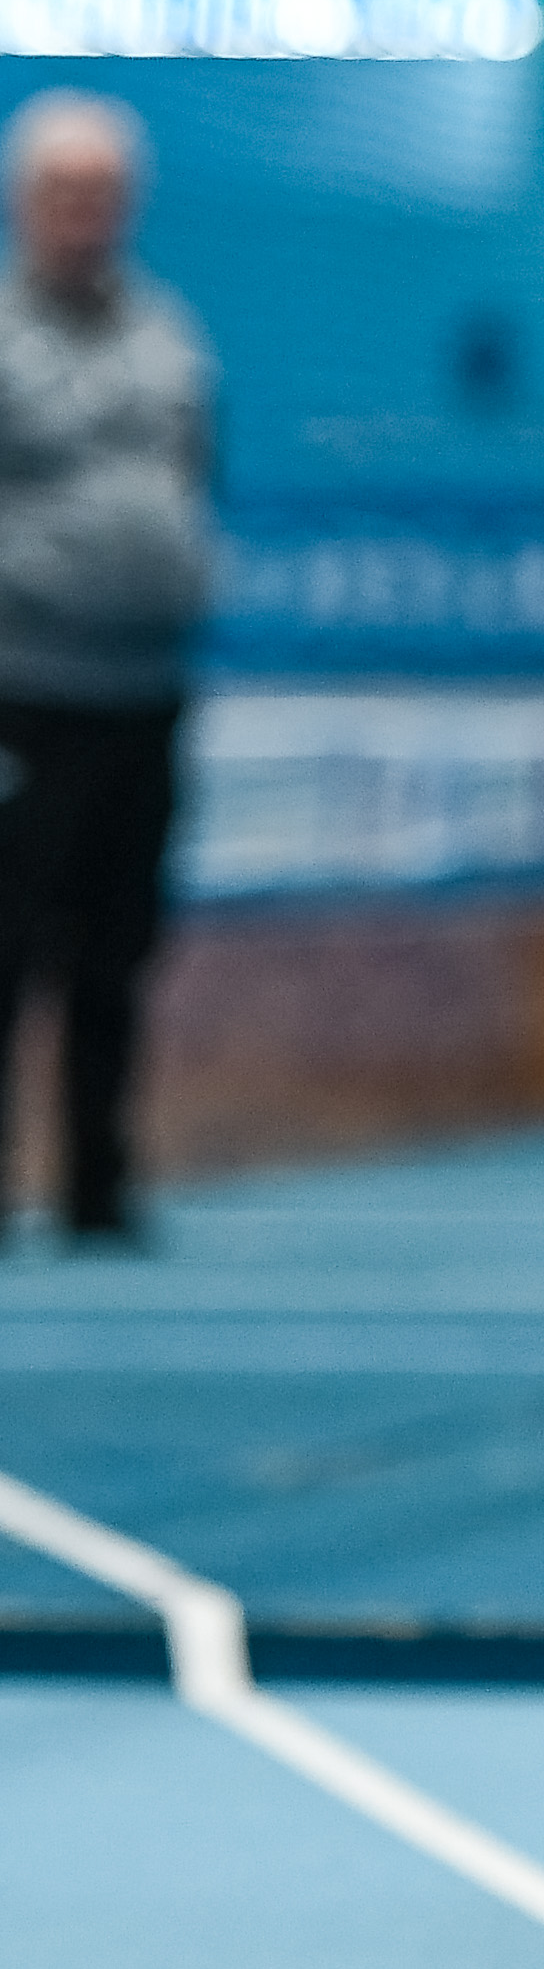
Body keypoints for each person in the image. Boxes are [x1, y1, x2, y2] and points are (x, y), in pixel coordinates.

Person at [0, 91, 216, 1245]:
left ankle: (99, 1182)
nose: (85, 213)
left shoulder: (170, 334)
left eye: (104, 193)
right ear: (24, 201)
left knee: (118, 946)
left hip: (144, 685)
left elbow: (198, 471)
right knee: (7, 940)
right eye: (64, 192)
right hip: (23, 686)